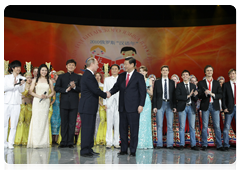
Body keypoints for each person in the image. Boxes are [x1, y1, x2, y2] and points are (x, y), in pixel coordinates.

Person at [109, 56, 146, 157]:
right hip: (122, 107)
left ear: (132, 65)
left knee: (134, 130)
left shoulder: (139, 76)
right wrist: (109, 93)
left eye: (126, 64)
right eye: (124, 64)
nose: (124, 66)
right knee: (123, 129)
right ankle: (124, 149)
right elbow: (116, 87)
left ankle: (133, 150)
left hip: (134, 107)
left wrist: (141, 105)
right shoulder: (121, 76)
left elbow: (143, 92)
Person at [79, 58, 110, 157]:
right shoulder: (88, 75)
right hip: (87, 107)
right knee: (87, 129)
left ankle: (89, 148)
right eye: (97, 64)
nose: (98, 66)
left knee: (91, 128)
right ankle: (84, 150)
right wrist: (105, 94)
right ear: (91, 64)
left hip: (90, 107)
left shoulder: (89, 75)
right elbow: (95, 90)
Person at [54, 59, 82, 148]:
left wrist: (74, 87)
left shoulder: (78, 77)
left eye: (73, 65)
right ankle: (63, 141)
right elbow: (56, 88)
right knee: (64, 122)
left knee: (72, 123)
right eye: (69, 65)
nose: (71, 66)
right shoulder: (61, 77)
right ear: (66, 66)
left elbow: (81, 89)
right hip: (64, 103)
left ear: (75, 67)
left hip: (74, 104)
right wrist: (65, 90)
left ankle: (70, 142)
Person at [198, 65, 224, 151]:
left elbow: (221, 94)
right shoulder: (201, 83)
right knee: (204, 126)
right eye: (208, 70)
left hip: (214, 105)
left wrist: (213, 94)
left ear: (212, 72)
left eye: (211, 70)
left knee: (217, 125)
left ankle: (219, 145)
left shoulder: (216, 83)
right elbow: (199, 96)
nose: (209, 72)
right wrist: (205, 93)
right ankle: (204, 144)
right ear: (205, 72)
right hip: (205, 105)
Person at [27, 64, 55, 148]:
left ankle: (43, 142)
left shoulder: (49, 80)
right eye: (42, 70)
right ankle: (35, 142)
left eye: (45, 70)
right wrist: (39, 96)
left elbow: (53, 92)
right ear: (39, 71)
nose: (44, 72)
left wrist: (48, 96)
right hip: (37, 102)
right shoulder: (35, 80)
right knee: (36, 120)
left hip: (45, 102)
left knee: (44, 121)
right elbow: (30, 91)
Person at [152, 65, 176, 149]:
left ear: (169, 72)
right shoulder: (157, 82)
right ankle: (159, 144)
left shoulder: (172, 82)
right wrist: (154, 106)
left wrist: (174, 106)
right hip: (160, 104)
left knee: (170, 125)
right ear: (161, 72)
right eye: (163, 70)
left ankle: (170, 144)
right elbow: (154, 95)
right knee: (159, 125)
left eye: (166, 70)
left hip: (170, 104)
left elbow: (174, 95)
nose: (165, 71)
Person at [175, 70, 200, 150]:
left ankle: (193, 144)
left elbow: (195, 99)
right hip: (183, 107)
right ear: (181, 77)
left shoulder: (193, 86)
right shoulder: (179, 85)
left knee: (192, 126)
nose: (185, 76)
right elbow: (177, 96)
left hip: (191, 107)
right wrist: (187, 96)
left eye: (187, 75)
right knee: (182, 126)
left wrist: (195, 95)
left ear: (189, 76)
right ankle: (181, 144)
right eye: (184, 75)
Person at [4, 60, 26, 149]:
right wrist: (15, 85)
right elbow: (4, 88)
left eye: (19, 67)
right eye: (16, 67)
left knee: (14, 123)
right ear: (12, 68)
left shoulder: (22, 78)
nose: (18, 69)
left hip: (16, 103)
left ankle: (11, 142)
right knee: (4, 123)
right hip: (6, 102)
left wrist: (20, 85)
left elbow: (21, 90)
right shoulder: (6, 77)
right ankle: (3, 142)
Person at [15, 62, 33, 145]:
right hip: (22, 105)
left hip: (29, 106)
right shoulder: (21, 86)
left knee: (27, 122)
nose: (29, 79)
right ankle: (19, 140)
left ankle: (26, 140)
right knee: (21, 121)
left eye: (30, 77)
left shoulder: (33, 86)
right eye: (27, 77)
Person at [103, 64, 120, 149]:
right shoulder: (107, 79)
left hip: (118, 103)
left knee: (117, 123)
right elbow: (105, 90)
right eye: (112, 69)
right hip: (109, 103)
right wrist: (105, 103)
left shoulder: (121, 79)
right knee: (109, 123)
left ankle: (116, 142)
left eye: (115, 69)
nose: (114, 70)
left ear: (118, 70)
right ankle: (108, 142)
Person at [137, 66, 153, 149]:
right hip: (138, 100)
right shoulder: (137, 79)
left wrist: (146, 89)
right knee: (139, 121)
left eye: (144, 71)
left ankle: (146, 143)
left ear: (146, 72)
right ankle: (139, 142)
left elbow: (151, 93)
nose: (142, 72)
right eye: (141, 71)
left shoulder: (149, 80)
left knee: (146, 122)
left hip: (146, 101)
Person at [222, 69, 238, 151]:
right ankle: (226, 144)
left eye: (234, 74)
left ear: (236, 75)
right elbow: (223, 97)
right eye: (231, 74)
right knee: (226, 127)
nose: (232, 75)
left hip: (238, 108)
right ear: (229, 75)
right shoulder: (226, 85)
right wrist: (224, 107)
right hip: (229, 108)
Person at [51, 71, 64, 144]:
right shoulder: (52, 84)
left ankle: (57, 139)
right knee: (52, 120)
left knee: (59, 121)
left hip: (60, 104)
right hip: (52, 104)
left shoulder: (62, 85)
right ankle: (51, 138)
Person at [95, 72, 107, 145]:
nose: (97, 77)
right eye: (96, 76)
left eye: (99, 76)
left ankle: (101, 138)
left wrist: (102, 104)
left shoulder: (103, 86)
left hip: (102, 106)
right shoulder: (93, 85)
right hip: (95, 105)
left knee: (101, 121)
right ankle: (95, 137)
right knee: (95, 122)